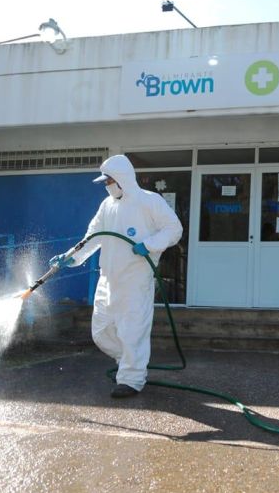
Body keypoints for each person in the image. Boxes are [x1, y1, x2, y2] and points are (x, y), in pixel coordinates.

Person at [51, 154, 183, 398]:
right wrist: (71, 256)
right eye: (104, 182)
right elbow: (92, 237)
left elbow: (174, 229)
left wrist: (151, 244)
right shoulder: (107, 206)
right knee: (101, 331)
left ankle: (131, 379)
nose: (106, 185)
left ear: (122, 179)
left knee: (132, 330)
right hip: (108, 277)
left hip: (135, 279)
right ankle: (129, 361)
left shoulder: (149, 201)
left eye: (108, 181)